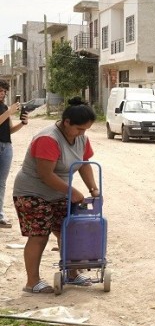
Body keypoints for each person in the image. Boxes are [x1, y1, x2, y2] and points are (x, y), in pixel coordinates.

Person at [12, 97, 98, 294]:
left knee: (69, 231)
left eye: (85, 130)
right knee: (39, 235)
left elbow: (83, 164)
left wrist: (94, 189)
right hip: (32, 192)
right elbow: (45, 174)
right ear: (66, 122)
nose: (82, 133)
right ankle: (32, 282)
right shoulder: (48, 138)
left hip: (58, 191)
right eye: (79, 129)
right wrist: (72, 191)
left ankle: (72, 274)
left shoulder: (81, 138)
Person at [0, 80, 28, 228]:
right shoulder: (6, 110)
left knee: (1, 183)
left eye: (4, 91)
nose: (2, 94)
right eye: (0, 91)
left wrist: (22, 124)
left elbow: (9, 130)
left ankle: (0, 216)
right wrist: (9, 112)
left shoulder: (4, 107)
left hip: (6, 146)